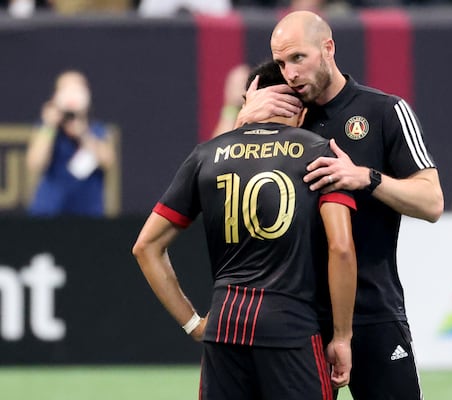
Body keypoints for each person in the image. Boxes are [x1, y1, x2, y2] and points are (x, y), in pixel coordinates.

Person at [235, 11, 444, 400]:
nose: (290, 73)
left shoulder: (385, 111)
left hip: (372, 312)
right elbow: (223, 189)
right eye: (281, 63)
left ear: (327, 48)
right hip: (298, 319)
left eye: (298, 58)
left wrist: (366, 177)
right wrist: (244, 122)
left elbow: (431, 202)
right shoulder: (281, 118)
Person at [132, 60, 358, 399]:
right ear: (300, 110)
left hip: (225, 326)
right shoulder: (319, 153)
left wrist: (194, 324)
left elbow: (145, 247)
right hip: (292, 326)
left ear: (250, 101)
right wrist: (341, 336)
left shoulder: (207, 154)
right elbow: (341, 248)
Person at [26, 70, 116, 217]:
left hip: (88, 213)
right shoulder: (47, 129)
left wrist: (83, 133)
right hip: (48, 212)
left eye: (78, 89)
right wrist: (50, 125)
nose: (72, 95)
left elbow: (108, 162)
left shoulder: (97, 130)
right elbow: (35, 163)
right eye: (66, 89)